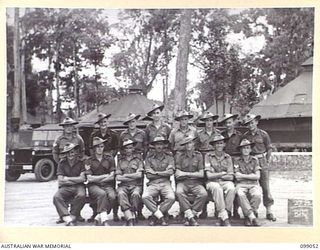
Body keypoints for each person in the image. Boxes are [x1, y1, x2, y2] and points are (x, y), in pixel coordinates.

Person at [242, 113, 276, 221]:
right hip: (251, 162)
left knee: (265, 186)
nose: (250, 125)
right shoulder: (245, 136)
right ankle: (253, 210)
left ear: (256, 122)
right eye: (248, 124)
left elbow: (269, 147)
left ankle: (269, 210)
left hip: (262, 160)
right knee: (251, 186)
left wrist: (267, 159)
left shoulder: (263, 134)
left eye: (252, 122)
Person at [89, 113, 119, 222]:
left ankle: (115, 212)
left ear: (108, 122)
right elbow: (91, 149)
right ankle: (96, 212)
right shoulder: (94, 135)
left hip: (109, 160)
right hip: (96, 160)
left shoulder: (113, 134)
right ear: (98, 124)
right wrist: (96, 158)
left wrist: (109, 157)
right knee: (96, 191)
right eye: (101, 122)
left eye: (105, 122)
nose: (103, 124)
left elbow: (116, 148)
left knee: (112, 189)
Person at [175, 135, 208, 226]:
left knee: (203, 194)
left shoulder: (199, 156)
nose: (189, 145)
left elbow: (201, 174)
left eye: (190, 143)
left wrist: (185, 174)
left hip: (196, 182)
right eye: (186, 143)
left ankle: (190, 215)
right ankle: (192, 217)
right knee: (179, 192)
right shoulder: (180, 156)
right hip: (183, 182)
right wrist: (190, 174)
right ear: (184, 146)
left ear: (194, 144)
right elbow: (178, 174)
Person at [142, 136, 176, 226]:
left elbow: (170, 172)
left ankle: (155, 216)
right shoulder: (149, 158)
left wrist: (155, 173)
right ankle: (161, 217)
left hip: (165, 183)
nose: (159, 147)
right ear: (154, 146)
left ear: (164, 146)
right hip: (153, 183)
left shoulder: (169, 158)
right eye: (157, 144)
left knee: (171, 197)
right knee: (145, 197)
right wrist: (162, 173)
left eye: (161, 144)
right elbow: (148, 175)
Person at [85, 137, 117, 226]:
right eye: (97, 147)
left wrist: (99, 178)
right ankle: (104, 220)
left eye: (101, 146)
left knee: (113, 197)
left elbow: (112, 176)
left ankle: (98, 216)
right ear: (94, 148)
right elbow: (89, 178)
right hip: (94, 186)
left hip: (107, 185)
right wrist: (104, 176)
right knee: (102, 194)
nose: (100, 149)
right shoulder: (89, 160)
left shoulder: (109, 158)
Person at [204, 134, 235, 226]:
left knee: (231, 188)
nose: (219, 145)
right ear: (213, 145)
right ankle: (225, 217)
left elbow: (231, 177)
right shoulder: (208, 156)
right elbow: (209, 175)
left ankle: (224, 215)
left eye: (221, 143)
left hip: (225, 182)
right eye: (217, 143)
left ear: (224, 144)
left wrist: (216, 174)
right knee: (217, 188)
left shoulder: (228, 157)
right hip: (211, 182)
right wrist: (222, 173)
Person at [53, 143, 86, 226]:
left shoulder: (81, 162)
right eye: (67, 153)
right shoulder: (62, 163)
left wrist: (68, 178)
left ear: (75, 152)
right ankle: (66, 217)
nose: (70, 154)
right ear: (65, 154)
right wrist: (76, 180)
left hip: (79, 186)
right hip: (66, 187)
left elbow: (82, 179)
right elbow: (60, 180)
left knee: (81, 195)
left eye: (72, 152)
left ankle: (73, 215)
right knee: (56, 197)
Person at [234, 139, 262, 226]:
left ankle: (248, 215)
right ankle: (252, 217)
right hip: (241, 185)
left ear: (250, 150)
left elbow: (257, 176)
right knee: (240, 194)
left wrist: (243, 176)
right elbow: (237, 177)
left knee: (257, 195)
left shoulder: (255, 160)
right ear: (241, 150)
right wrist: (251, 175)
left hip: (253, 185)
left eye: (247, 148)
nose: (246, 150)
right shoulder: (237, 160)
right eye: (243, 148)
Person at [116, 139, 144, 226]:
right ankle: (130, 217)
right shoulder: (120, 161)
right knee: (120, 193)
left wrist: (125, 176)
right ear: (124, 150)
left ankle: (130, 214)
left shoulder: (138, 160)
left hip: (136, 185)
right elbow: (118, 177)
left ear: (133, 149)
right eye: (126, 148)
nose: (128, 150)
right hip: (123, 186)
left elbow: (139, 175)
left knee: (135, 194)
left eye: (130, 148)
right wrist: (132, 176)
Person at [220, 113, 242, 218]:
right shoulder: (221, 135)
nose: (228, 125)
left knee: (236, 184)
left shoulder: (239, 135)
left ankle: (236, 210)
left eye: (230, 122)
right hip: (225, 161)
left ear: (234, 122)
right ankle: (222, 210)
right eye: (226, 123)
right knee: (226, 185)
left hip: (236, 160)